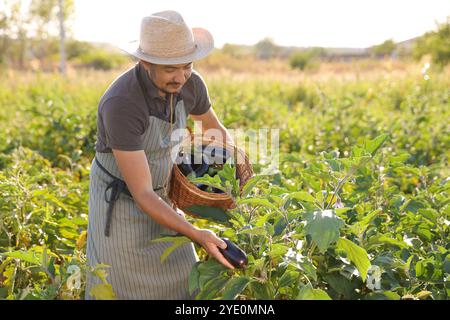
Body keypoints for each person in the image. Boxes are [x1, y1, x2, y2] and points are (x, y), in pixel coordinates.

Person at [85, 10, 235, 300]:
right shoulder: (123, 103)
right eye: (169, 69)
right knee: (120, 288)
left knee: (183, 281)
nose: (180, 77)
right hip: (122, 205)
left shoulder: (192, 84)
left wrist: (228, 180)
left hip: (162, 195)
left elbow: (217, 135)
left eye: (187, 66)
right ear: (145, 62)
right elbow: (141, 193)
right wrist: (197, 233)